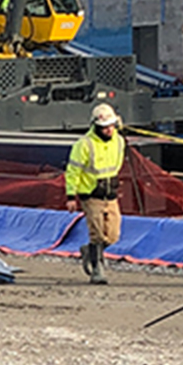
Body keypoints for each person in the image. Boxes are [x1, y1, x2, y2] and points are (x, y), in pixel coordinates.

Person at [65, 103, 128, 284]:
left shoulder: (119, 141)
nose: (109, 130)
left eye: (111, 126)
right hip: (91, 195)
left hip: (110, 195)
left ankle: (90, 251)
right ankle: (97, 269)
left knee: (113, 235)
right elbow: (73, 172)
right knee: (97, 234)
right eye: (105, 127)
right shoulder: (84, 145)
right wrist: (71, 196)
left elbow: (116, 166)